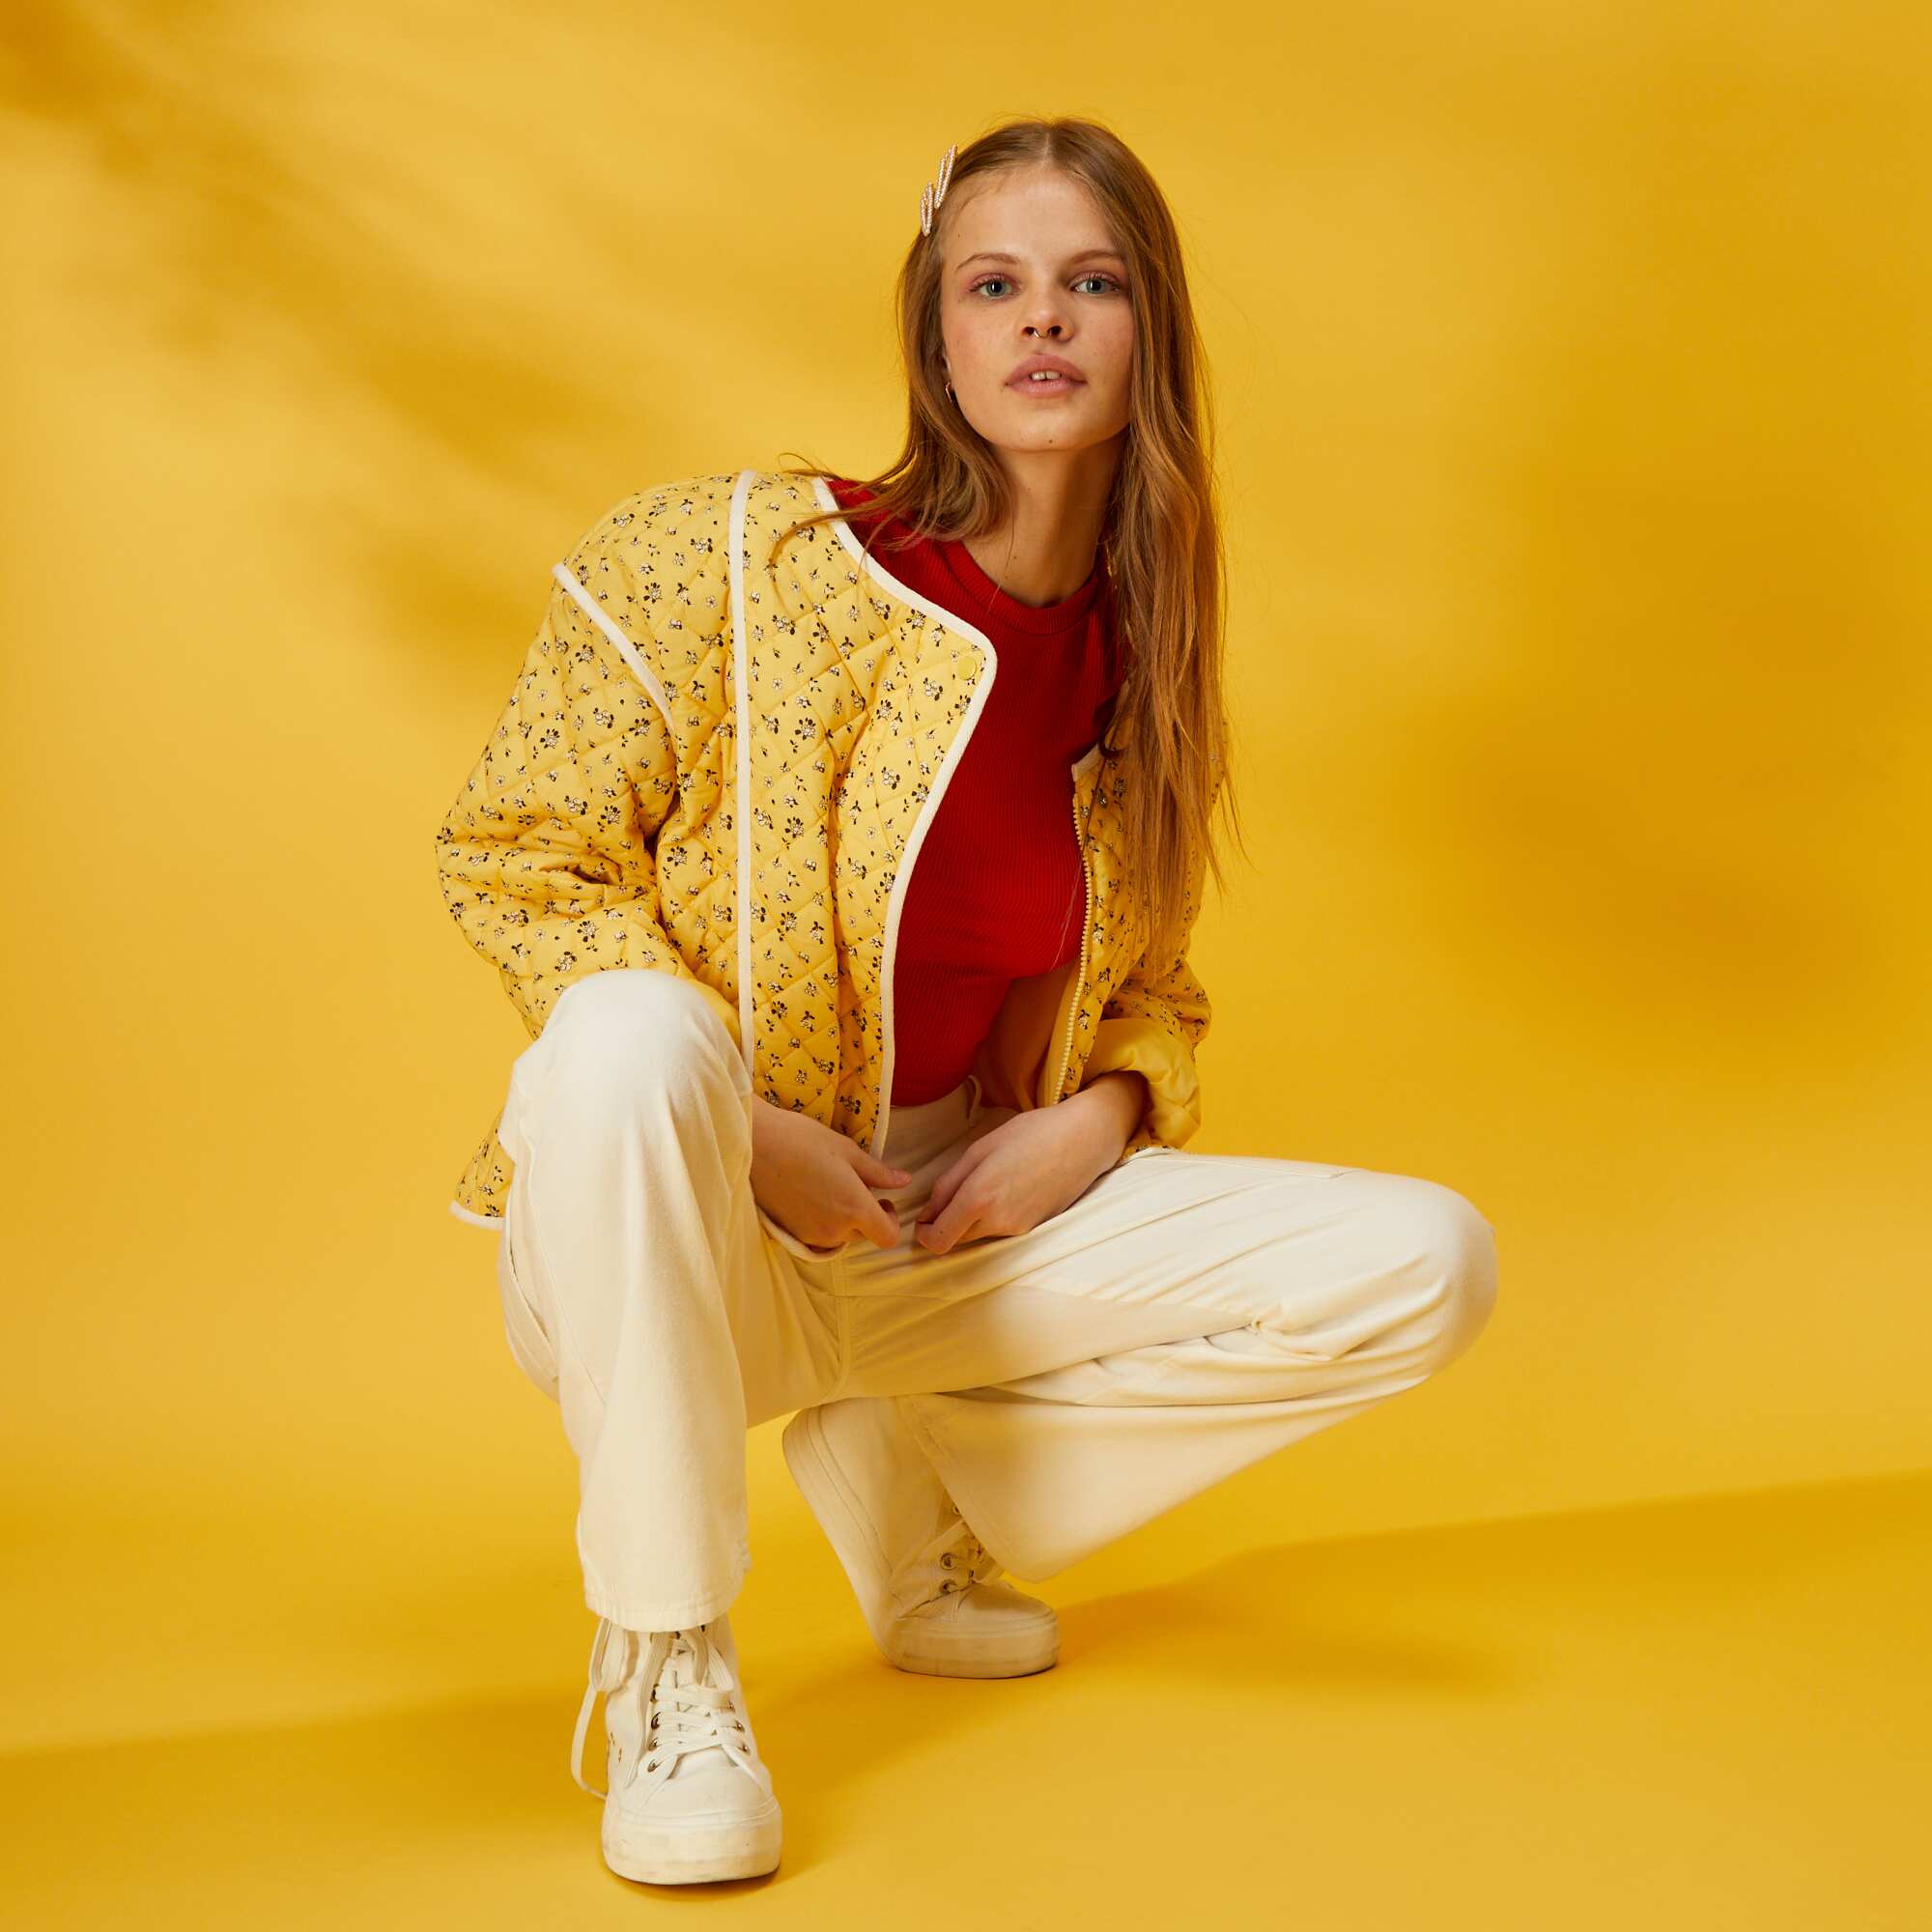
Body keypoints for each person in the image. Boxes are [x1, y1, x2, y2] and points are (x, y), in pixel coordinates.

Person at [434, 117, 1497, 1889]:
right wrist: (751, 1137)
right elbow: (518, 854)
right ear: (936, 334)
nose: (1043, 320)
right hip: (679, 1230)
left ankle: (905, 1467)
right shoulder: (730, 562)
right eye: (993, 285)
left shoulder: (1141, 659)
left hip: (936, 1234)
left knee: (1427, 1264)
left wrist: (1096, 1122)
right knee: (623, 1038)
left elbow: (1149, 990)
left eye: (1092, 283)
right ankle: (671, 1658)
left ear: (1150, 328)